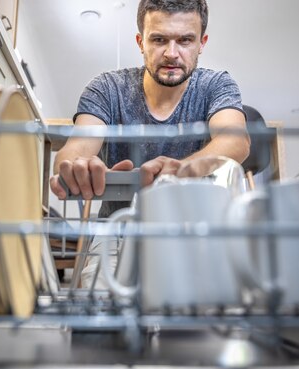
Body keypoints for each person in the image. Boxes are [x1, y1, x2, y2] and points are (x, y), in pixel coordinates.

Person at [50, 0, 251, 287]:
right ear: (140, 42)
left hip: (192, 235)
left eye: (185, 40)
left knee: (198, 326)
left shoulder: (217, 84)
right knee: (102, 320)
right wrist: (78, 166)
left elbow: (236, 142)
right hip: (117, 234)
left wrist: (180, 170)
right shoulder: (107, 88)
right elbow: (75, 150)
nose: (172, 53)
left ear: (201, 43)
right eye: (158, 40)